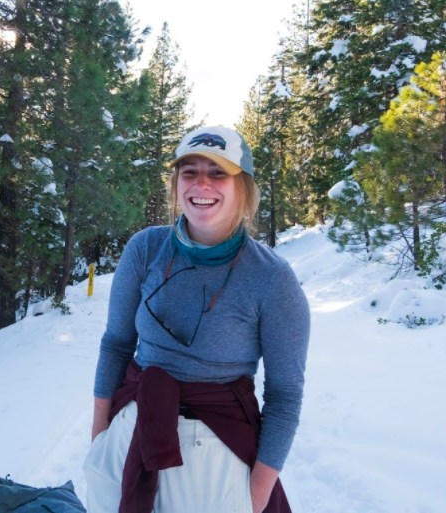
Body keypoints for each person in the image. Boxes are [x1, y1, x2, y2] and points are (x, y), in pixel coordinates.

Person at [83, 125, 310, 513]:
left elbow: (285, 394)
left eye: (218, 172)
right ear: (176, 183)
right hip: (130, 432)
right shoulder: (145, 248)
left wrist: (256, 495)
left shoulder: (272, 279)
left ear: (244, 187)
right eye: (189, 171)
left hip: (215, 451)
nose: (201, 183)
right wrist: (100, 436)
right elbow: (116, 342)